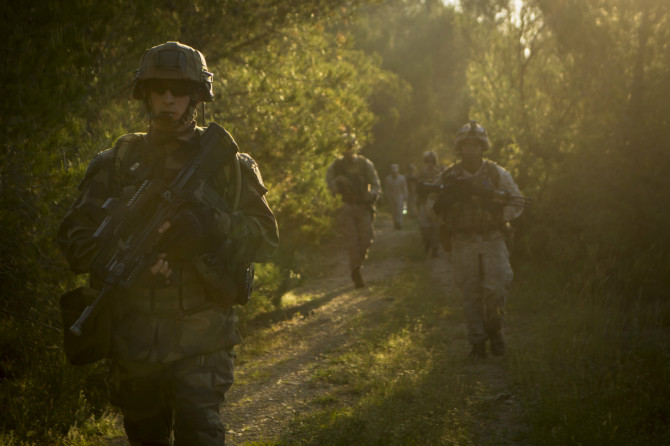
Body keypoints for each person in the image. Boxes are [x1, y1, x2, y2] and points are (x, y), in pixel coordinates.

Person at [58, 41, 279, 445]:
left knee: (200, 433)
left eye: (178, 90)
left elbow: (265, 239)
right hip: (135, 339)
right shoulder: (115, 163)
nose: (167, 98)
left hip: (203, 335)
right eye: (158, 89)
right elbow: (75, 242)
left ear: (197, 95)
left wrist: (207, 225)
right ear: (145, 94)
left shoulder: (228, 166)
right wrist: (131, 264)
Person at [432, 120, 523, 359]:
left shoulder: (497, 173)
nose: (471, 150)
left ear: (483, 147)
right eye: (466, 145)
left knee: (498, 288)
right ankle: (477, 342)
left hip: (493, 237)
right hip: (463, 240)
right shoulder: (448, 176)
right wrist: (448, 201)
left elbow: (518, 203)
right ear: (459, 148)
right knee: (470, 293)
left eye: (476, 145)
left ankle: (495, 332)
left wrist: (495, 209)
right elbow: (432, 208)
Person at [326, 132, 381, 288]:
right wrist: (337, 183)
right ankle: (356, 271)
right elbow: (328, 187)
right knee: (352, 241)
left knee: (366, 238)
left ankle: (357, 265)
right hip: (345, 207)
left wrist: (371, 194)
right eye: (345, 147)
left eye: (350, 146)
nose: (348, 150)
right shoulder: (335, 166)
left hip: (363, 206)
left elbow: (376, 184)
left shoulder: (365, 164)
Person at [417, 150, 442, 257]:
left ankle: (435, 248)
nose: (430, 163)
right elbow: (417, 187)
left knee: (436, 227)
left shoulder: (439, 173)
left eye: (432, 161)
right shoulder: (421, 173)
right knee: (424, 225)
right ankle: (426, 242)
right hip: (423, 202)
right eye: (428, 161)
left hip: (435, 203)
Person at [384, 164, 408, 230]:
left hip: (400, 196)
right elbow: (387, 189)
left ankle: (399, 223)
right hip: (391, 196)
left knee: (399, 210)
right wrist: (387, 196)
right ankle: (395, 223)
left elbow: (404, 188)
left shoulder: (402, 178)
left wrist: (405, 195)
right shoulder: (388, 179)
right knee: (394, 211)